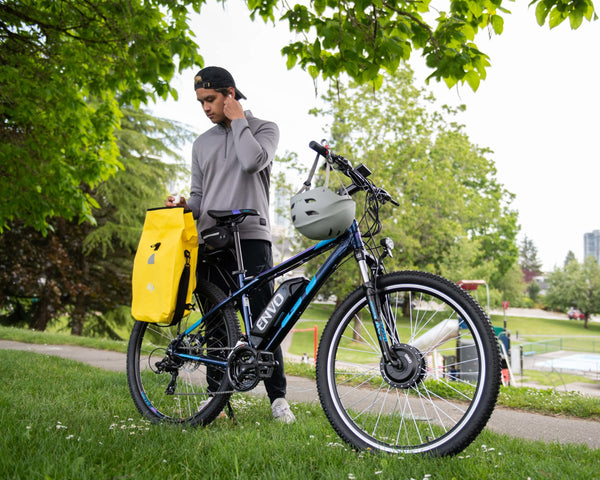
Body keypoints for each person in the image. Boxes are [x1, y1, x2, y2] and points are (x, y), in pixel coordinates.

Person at [167, 66, 295, 424]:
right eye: (200, 102)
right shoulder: (201, 143)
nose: (205, 107)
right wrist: (183, 207)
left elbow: (253, 160)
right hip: (212, 237)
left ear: (230, 94)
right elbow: (198, 197)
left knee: (265, 319)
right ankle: (215, 400)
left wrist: (239, 120)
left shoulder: (265, 129)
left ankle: (278, 399)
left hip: (252, 235)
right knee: (216, 325)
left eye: (210, 99)